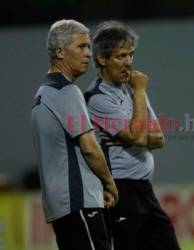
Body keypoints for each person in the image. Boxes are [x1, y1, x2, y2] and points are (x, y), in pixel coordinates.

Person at [84, 20, 181, 250]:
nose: (128, 63)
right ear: (102, 59)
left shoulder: (131, 89)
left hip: (145, 189)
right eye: (120, 57)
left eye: (131, 55)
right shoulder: (98, 97)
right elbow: (139, 137)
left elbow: (159, 138)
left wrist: (126, 136)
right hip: (120, 191)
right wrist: (140, 91)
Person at [31, 19, 118, 250]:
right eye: (81, 47)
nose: (89, 53)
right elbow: (88, 146)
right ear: (60, 51)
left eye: (89, 47)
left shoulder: (43, 92)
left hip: (61, 206)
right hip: (79, 202)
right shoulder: (66, 91)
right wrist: (109, 183)